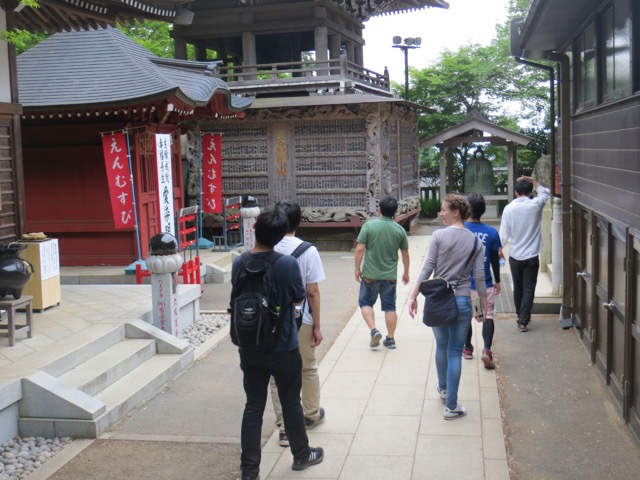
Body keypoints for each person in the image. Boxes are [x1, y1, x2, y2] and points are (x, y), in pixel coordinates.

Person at [232, 206, 323, 480]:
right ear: (281, 234)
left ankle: (249, 472)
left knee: (253, 406)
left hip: (250, 345)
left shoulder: (239, 262)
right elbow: (298, 298)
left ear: (255, 230)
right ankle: (301, 455)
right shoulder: (286, 264)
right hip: (283, 345)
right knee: (290, 402)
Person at [408, 194, 486, 420]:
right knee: (454, 353)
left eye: (443, 210)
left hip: (439, 300)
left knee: (442, 346)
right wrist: (482, 308)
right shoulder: (475, 241)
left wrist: (413, 296)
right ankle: (451, 405)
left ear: (456, 212)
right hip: (462, 301)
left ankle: (443, 389)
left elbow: (427, 268)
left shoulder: (438, 236)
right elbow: (479, 277)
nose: (440, 213)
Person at [269, 200, 326, 448]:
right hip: (300, 317)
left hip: (271, 319)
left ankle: (284, 427)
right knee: (307, 366)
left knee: (276, 374)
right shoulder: (308, 250)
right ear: (298, 222)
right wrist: (317, 325)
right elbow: (312, 291)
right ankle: (310, 414)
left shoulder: (264, 246)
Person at [354, 196, 410, 349]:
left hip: (370, 275)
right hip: (389, 277)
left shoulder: (369, 226)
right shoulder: (399, 230)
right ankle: (390, 339)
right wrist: (406, 272)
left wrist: (357, 269)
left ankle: (373, 330)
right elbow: (405, 254)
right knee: (390, 307)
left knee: (365, 303)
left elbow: (359, 249)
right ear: (395, 212)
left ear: (379, 209)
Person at [499, 176, 550, 332]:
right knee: (529, 289)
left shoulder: (509, 208)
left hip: (515, 255)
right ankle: (523, 320)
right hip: (532, 256)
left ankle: (519, 315)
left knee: (518, 288)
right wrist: (533, 180)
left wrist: (499, 249)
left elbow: (504, 234)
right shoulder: (536, 204)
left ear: (515, 192)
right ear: (530, 192)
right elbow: (546, 192)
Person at [463, 193, 502, 369]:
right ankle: (486, 350)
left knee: (466, 317)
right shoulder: (492, 232)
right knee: (487, 316)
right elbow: (495, 259)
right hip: (484, 284)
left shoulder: (461, 230)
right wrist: (498, 281)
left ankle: (468, 348)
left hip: (464, 285)